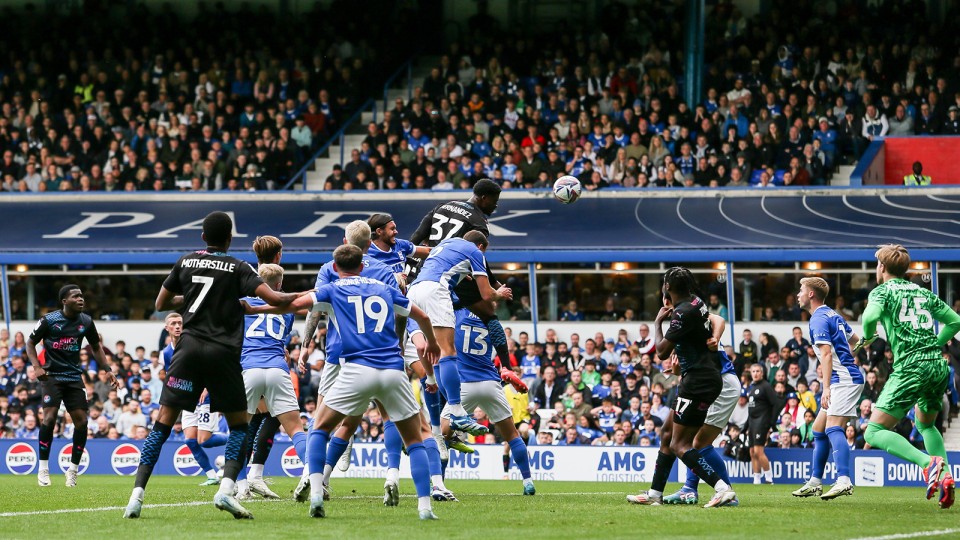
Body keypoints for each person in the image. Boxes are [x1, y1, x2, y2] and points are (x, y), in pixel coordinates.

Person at [123, 211, 299, 520]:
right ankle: (226, 489)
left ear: (203, 237)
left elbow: (161, 304)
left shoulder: (186, 261)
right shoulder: (238, 268)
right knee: (240, 427)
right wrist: (311, 296)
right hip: (222, 355)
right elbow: (275, 298)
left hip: (187, 351)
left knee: (162, 426)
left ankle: (136, 497)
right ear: (230, 239)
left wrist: (193, 300)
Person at [280, 244, 442, 520]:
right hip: (393, 371)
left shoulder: (333, 289)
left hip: (357, 369)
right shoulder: (385, 287)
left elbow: (294, 304)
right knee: (416, 438)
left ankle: (318, 494)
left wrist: (250, 307)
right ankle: (425, 507)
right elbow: (423, 316)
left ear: (334, 268)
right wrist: (433, 343)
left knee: (320, 428)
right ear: (362, 265)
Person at [859, 244, 960, 509]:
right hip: (938, 367)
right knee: (926, 425)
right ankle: (947, 477)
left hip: (911, 367)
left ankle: (929, 464)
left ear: (881, 267)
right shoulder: (922, 292)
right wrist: (934, 345)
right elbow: (955, 322)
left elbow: (870, 316)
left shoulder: (882, 291)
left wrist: (868, 337)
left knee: (873, 431)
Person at [627, 267, 737, 508]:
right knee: (666, 434)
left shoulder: (682, 313)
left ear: (667, 288)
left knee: (680, 445)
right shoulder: (697, 302)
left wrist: (657, 322)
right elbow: (714, 321)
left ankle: (721, 488)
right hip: (699, 377)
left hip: (698, 381)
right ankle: (655, 493)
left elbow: (662, 351)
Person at [407, 179, 524, 392]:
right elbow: (477, 258)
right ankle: (506, 367)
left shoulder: (442, 206)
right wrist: (496, 286)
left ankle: (438, 392)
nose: (496, 206)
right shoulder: (479, 222)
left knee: (430, 335)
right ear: (483, 198)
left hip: (426, 271)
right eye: (494, 201)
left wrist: (407, 270)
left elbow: (416, 238)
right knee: (488, 313)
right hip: (453, 275)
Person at [406, 231, 512, 436]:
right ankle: (456, 410)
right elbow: (487, 294)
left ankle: (435, 392)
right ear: (481, 247)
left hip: (414, 291)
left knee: (431, 348)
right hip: (435, 291)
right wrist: (501, 293)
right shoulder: (475, 252)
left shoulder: (447, 244)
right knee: (448, 351)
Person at [26, 285, 119, 487]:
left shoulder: (85, 321)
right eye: (75, 297)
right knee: (49, 419)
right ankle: (43, 469)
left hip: (74, 377)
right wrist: (36, 366)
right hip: (51, 377)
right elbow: (30, 343)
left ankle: (73, 470)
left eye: (82, 296)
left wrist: (107, 369)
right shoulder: (49, 320)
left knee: (82, 423)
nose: (81, 299)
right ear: (64, 301)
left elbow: (96, 346)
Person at [444, 308, 535, 495]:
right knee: (512, 435)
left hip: (465, 384)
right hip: (490, 383)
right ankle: (528, 481)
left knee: (441, 435)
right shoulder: (489, 317)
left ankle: (438, 482)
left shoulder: (457, 312)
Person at [237, 264, 308, 499]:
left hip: (249, 368)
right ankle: (312, 474)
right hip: (278, 368)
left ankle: (240, 485)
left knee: (239, 429)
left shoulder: (241, 304)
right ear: (279, 285)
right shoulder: (286, 309)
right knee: (295, 428)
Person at [792, 277, 864, 500]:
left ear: (811, 294)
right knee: (818, 428)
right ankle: (815, 481)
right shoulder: (834, 315)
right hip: (847, 377)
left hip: (843, 380)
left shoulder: (818, 319)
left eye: (801, 290)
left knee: (833, 427)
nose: (798, 294)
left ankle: (844, 480)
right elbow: (857, 341)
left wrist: (826, 388)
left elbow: (824, 354)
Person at [663, 314, 742, 505]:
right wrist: (678, 371)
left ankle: (726, 493)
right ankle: (690, 489)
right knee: (693, 441)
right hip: (712, 383)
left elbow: (719, 319)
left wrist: (716, 336)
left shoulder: (694, 317)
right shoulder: (688, 326)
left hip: (721, 384)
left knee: (699, 442)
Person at [161, 312, 226, 486]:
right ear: (166, 328)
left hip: (206, 396)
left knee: (203, 440)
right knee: (190, 440)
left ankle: (239, 438)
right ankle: (212, 475)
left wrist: (206, 387)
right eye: (173, 323)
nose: (177, 326)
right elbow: (173, 377)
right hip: (188, 399)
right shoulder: (167, 353)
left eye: (180, 323)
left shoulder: (196, 343)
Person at [365, 213, 431, 288]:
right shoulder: (367, 253)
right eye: (392, 229)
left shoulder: (400, 245)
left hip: (403, 294)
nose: (396, 232)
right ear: (379, 231)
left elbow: (428, 252)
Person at [747, 363, 781, 484]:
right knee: (752, 452)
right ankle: (756, 479)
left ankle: (769, 478)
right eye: (753, 371)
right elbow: (751, 410)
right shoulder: (752, 388)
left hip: (762, 423)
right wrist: (745, 427)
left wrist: (771, 423)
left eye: (758, 371)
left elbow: (775, 404)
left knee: (758, 451)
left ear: (762, 373)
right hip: (752, 423)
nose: (755, 373)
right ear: (750, 373)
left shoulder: (766, 386)